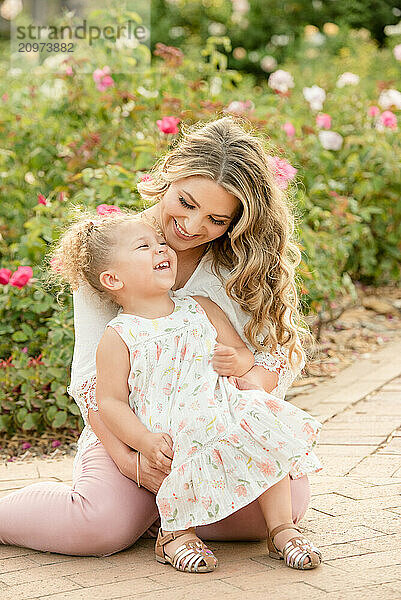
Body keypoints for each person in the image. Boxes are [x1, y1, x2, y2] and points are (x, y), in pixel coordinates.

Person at [0, 116, 316, 559]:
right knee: (99, 529)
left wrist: (245, 390)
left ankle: (161, 514)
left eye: (216, 219)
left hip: (213, 425)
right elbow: (92, 385)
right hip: (134, 431)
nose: (190, 226)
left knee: (284, 505)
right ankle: (139, 509)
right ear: (170, 174)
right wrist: (133, 464)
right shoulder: (113, 250)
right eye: (185, 202)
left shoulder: (239, 262)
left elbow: (270, 354)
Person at [58, 212, 324, 572]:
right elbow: (110, 402)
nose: (161, 249)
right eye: (144, 246)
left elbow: (241, 353)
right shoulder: (118, 336)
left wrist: (237, 360)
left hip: (219, 407)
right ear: (113, 279)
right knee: (175, 453)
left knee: (262, 425)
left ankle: (282, 530)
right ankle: (175, 535)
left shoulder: (200, 307)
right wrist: (144, 440)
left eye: (160, 243)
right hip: (168, 422)